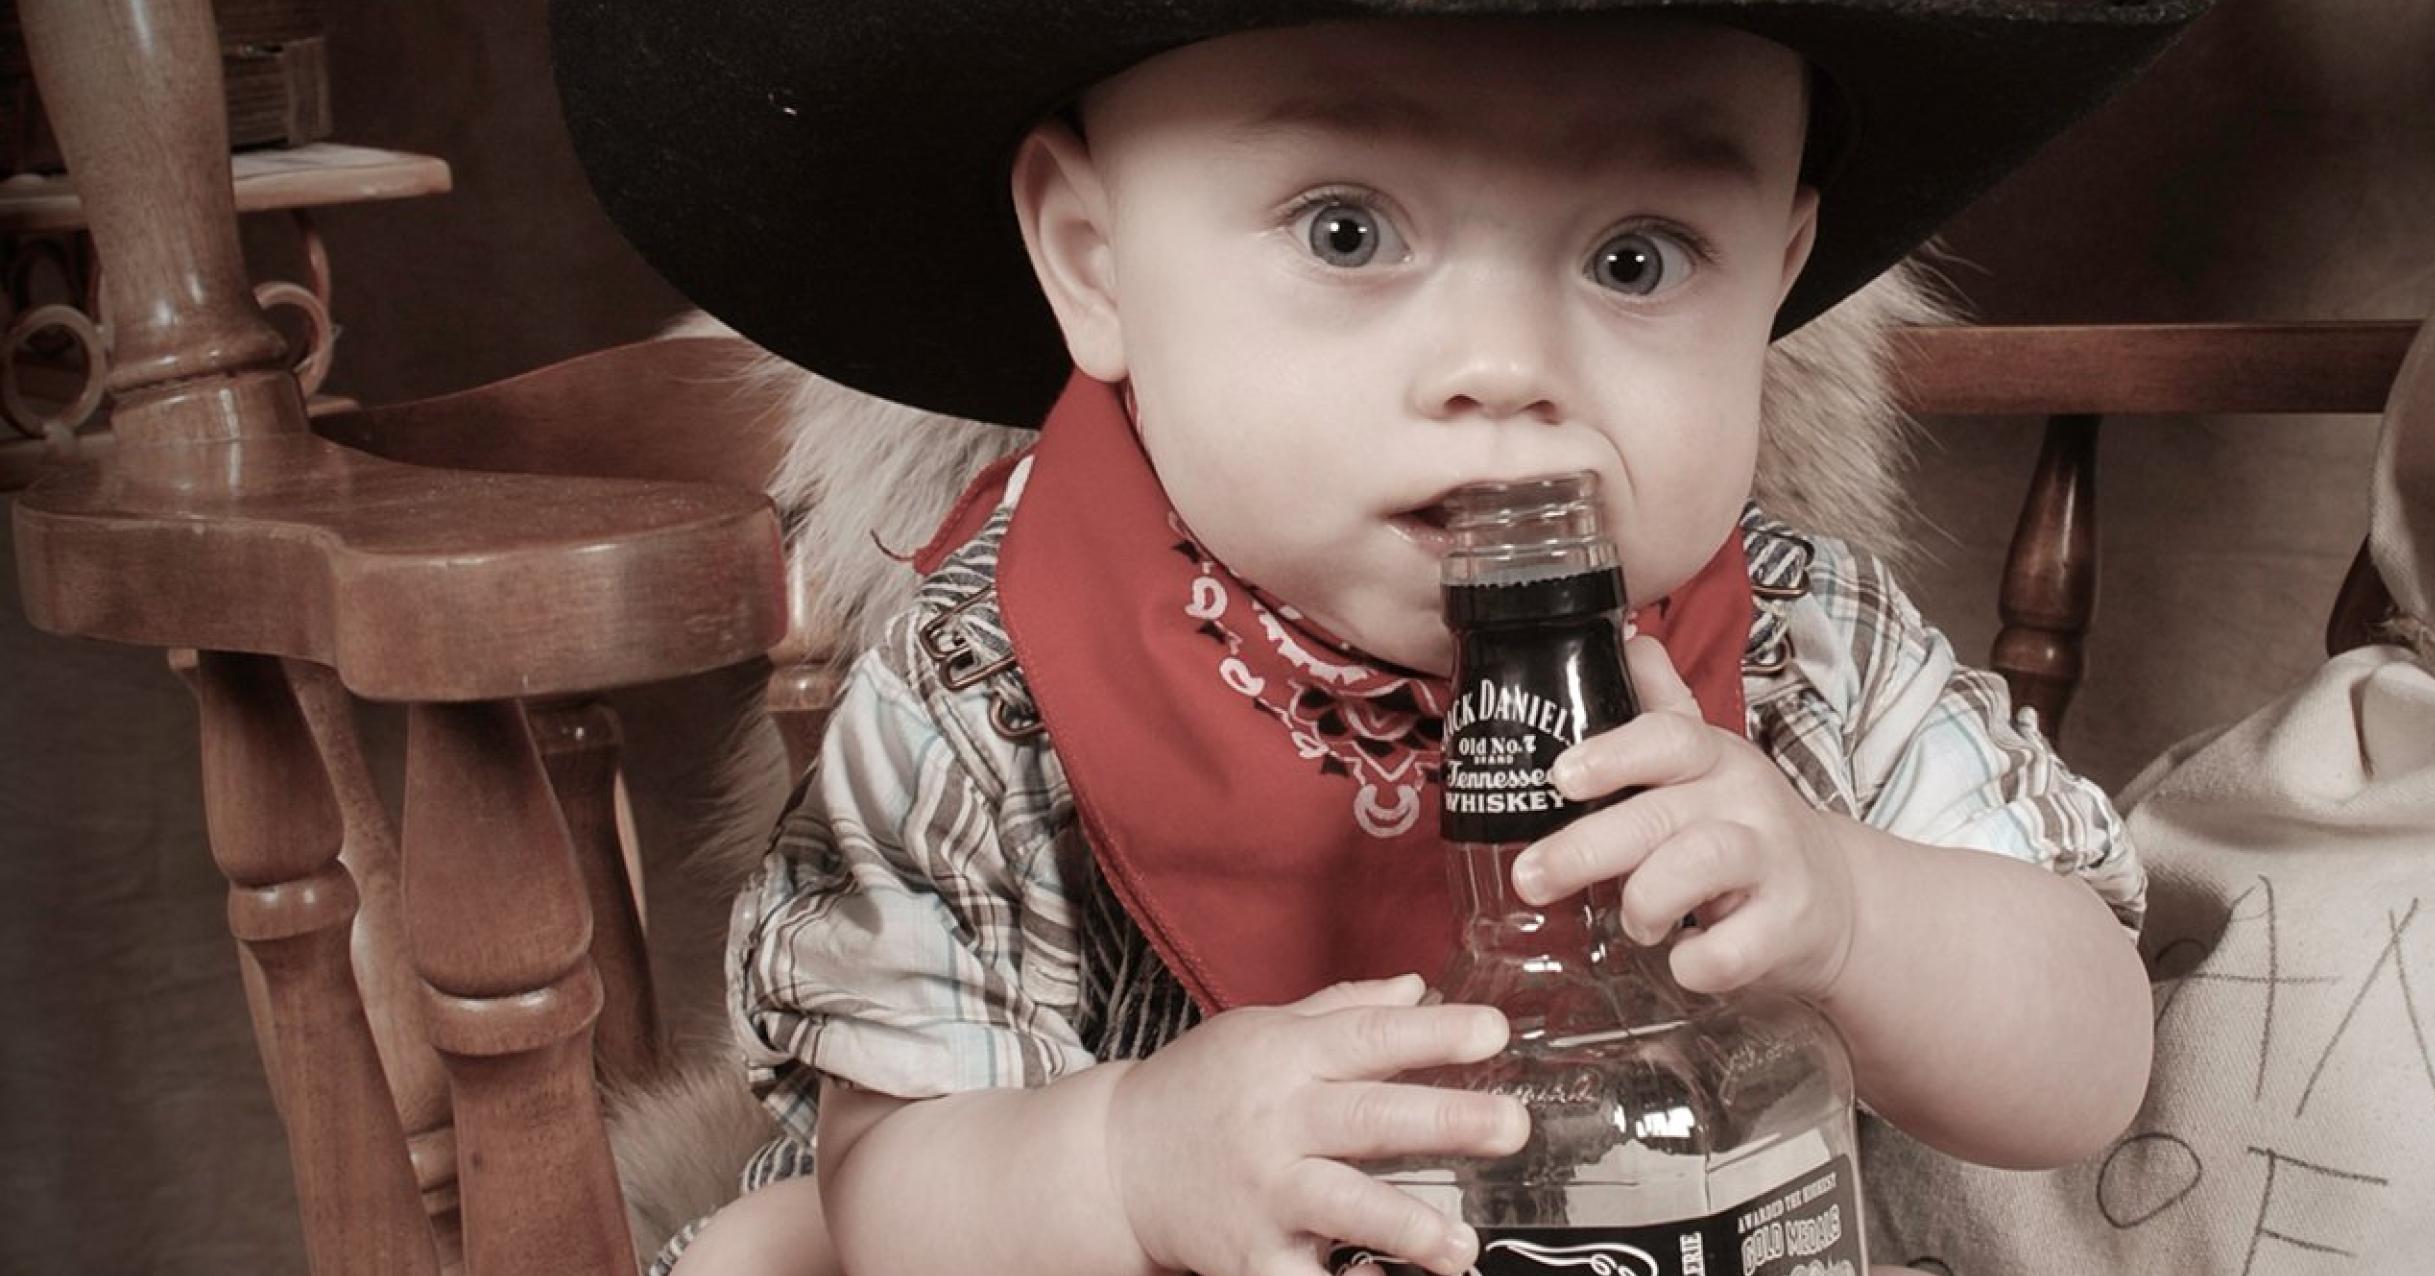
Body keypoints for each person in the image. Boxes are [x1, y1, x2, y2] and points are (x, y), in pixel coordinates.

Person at [550, 2, 2210, 1272]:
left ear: (1777, 278)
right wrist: (1128, 1162)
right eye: (1347, 231)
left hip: (1667, 1230)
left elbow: (2086, 1067)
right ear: (1093, 260)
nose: (1506, 367)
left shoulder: (1802, 648)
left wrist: (1853, 911)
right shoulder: (995, 685)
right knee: (779, 1253)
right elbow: (899, 1197)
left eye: (1638, 260)